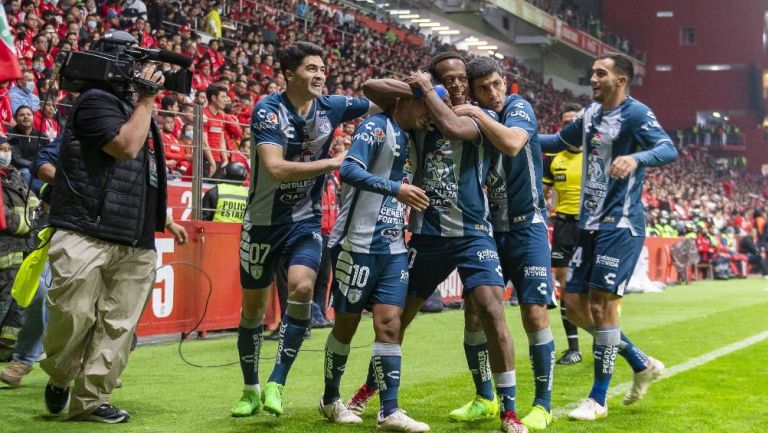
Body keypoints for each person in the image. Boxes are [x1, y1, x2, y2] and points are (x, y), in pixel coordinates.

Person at [351, 53, 529, 433]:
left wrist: (430, 88)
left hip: (473, 234)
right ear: (436, 81)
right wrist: (421, 87)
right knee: (398, 318)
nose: (460, 85)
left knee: (492, 312)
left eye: (463, 77)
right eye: (450, 78)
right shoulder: (421, 112)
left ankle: (509, 410)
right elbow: (370, 89)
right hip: (428, 236)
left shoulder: (481, 116)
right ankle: (371, 386)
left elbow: (452, 128)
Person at [40, 30, 187, 423]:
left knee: (118, 325)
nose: (148, 74)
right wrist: (148, 99)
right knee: (73, 317)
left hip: (135, 237)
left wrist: (165, 218)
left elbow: (145, 172)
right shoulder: (95, 102)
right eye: (139, 66)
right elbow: (125, 148)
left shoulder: (139, 109)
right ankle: (60, 376)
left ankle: (90, 400)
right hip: (85, 228)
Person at [232, 42, 377, 418]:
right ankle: (251, 388)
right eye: (311, 68)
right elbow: (276, 169)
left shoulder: (332, 106)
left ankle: (278, 381)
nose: (319, 75)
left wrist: (427, 88)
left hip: (305, 222)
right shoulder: (268, 111)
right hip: (261, 224)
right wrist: (335, 162)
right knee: (253, 310)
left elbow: (381, 102)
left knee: (301, 286)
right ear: (289, 74)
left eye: (323, 69)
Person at [540, 53, 678, 421]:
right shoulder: (589, 116)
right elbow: (555, 140)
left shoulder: (635, 113)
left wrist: (636, 158)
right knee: (574, 305)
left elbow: (668, 148)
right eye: (592, 73)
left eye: (601, 73)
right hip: (589, 225)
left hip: (621, 224)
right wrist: (512, 136)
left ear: (621, 80)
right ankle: (639, 361)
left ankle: (597, 399)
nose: (593, 78)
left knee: (601, 306)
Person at [452, 56, 557, 430]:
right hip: (489, 230)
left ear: (505, 81)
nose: (493, 93)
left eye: (497, 84)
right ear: (474, 90)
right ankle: (484, 397)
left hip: (527, 227)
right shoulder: (474, 117)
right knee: (475, 312)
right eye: (484, 88)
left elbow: (513, 144)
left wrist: (478, 113)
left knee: (534, 314)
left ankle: (543, 405)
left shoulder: (518, 107)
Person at [320, 96, 431, 431]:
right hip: (355, 244)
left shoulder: (414, 138)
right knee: (346, 325)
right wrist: (394, 188)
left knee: (390, 325)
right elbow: (349, 169)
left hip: (393, 247)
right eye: (422, 106)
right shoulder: (376, 125)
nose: (427, 115)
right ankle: (329, 399)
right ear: (403, 102)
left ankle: (389, 410)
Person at [541, 103, 584, 366]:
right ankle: (574, 347)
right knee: (566, 288)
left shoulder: (595, 154)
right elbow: (543, 195)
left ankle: (607, 342)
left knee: (595, 291)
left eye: (574, 122)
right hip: (564, 227)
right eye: (565, 122)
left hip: (592, 227)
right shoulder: (553, 157)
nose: (569, 126)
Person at [0, 136, 38, 362]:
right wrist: (27, 223)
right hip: (4, 250)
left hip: (21, 250)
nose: (5, 152)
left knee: (17, 300)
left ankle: (7, 348)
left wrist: (28, 223)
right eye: (1, 148)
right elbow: (5, 220)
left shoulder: (15, 176)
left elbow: (33, 206)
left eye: (7, 148)